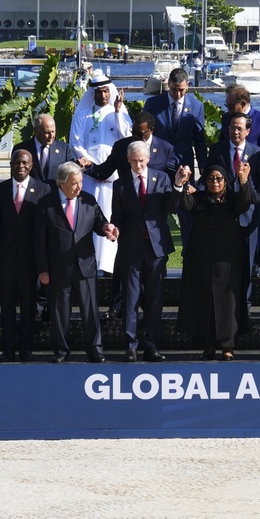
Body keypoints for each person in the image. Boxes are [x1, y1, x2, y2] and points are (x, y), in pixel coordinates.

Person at [34, 163, 118, 362]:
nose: (79, 187)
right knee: (59, 311)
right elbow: (38, 240)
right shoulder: (46, 204)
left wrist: (107, 228)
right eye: (74, 183)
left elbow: (100, 222)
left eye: (80, 182)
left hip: (84, 265)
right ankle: (61, 351)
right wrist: (43, 270)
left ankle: (95, 349)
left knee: (90, 310)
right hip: (57, 268)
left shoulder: (88, 200)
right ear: (61, 184)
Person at [175, 159, 254, 360]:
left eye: (219, 179)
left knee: (228, 305)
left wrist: (244, 181)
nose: (215, 182)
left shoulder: (232, 200)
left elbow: (245, 203)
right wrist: (182, 183)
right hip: (202, 262)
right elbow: (184, 204)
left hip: (228, 263)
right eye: (210, 179)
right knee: (205, 304)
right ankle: (208, 346)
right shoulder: (198, 198)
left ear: (225, 181)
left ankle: (228, 346)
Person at [111, 141, 178, 363]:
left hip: (156, 248)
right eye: (134, 161)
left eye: (142, 160)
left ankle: (151, 344)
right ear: (128, 160)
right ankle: (131, 346)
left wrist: (177, 186)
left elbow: (170, 207)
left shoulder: (162, 179)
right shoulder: (120, 185)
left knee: (155, 299)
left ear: (148, 159)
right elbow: (117, 217)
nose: (138, 165)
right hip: (131, 248)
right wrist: (114, 229)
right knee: (130, 298)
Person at [0, 148, 49, 361]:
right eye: (17, 163)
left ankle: (25, 348)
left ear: (31, 165)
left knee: (28, 306)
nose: (20, 167)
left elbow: (44, 229)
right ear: (11, 164)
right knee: (6, 306)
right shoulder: (0, 189)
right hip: (5, 259)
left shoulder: (43, 189)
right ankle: (7, 349)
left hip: (30, 260)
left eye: (24, 163)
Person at [67, 71, 131, 271]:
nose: (103, 96)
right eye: (99, 92)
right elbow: (76, 144)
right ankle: (90, 263)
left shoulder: (118, 112)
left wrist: (119, 112)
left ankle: (110, 265)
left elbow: (127, 137)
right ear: (92, 93)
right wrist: (93, 168)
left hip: (113, 179)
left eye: (106, 91)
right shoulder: (82, 115)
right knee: (90, 218)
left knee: (111, 216)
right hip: (89, 177)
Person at [213, 113, 260, 325]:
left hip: (248, 218)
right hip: (223, 217)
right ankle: (223, 307)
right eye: (232, 128)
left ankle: (244, 309)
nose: (235, 132)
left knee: (247, 265)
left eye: (240, 128)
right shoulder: (217, 150)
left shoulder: (257, 154)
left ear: (248, 131)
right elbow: (208, 179)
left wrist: (250, 193)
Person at [143, 66, 208, 176]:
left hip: (184, 163)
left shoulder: (197, 106)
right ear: (168, 84)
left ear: (187, 85)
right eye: (174, 89)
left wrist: (203, 166)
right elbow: (143, 133)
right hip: (158, 163)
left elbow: (199, 139)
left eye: (181, 90)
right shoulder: (152, 104)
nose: (177, 94)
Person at [80, 112, 178, 183]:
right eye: (133, 132)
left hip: (155, 203)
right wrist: (88, 165)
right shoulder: (121, 147)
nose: (135, 136)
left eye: (140, 134)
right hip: (129, 202)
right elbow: (103, 172)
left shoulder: (165, 149)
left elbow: (174, 177)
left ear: (151, 130)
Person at [222, 84, 260, 168]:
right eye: (227, 105)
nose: (228, 109)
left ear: (243, 104)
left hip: (252, 173)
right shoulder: (226, 118)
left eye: (231, 106)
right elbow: (222, 145)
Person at [18, 113, 70, 186]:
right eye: (47, 133)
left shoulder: (64, 149)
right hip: (31, 195)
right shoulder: (22, 149)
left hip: (54, 195)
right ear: (35, 131)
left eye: (53, 131)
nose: (51, 136)